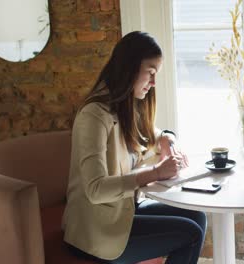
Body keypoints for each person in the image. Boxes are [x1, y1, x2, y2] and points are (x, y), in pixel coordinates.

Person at [62, 31, 206, 264]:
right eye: (150, 73)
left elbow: (152, 134)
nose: (153, 83)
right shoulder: (94, 115)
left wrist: (167, 139)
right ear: (129, 67)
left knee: (197, 217)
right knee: (191, 234)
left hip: (123, 212)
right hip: (95, 231)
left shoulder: (126, 105)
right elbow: (95, 190)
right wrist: (155, 173)